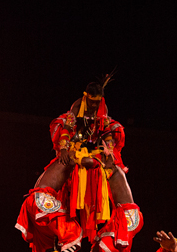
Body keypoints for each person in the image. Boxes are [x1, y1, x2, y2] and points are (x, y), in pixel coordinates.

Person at [49, 79, 125, 241]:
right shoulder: (77, 106)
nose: (94, 106)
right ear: (86, 97)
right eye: (91, 102)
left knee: (110, 165)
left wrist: (110, 150)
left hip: (94, 146)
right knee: (71, 165)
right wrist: (63, 149)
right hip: (77, 145)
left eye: (97, 102)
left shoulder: (102, 107)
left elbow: (106, 132)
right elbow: (67, 128)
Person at [15, 157, 83, 252]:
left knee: (49, 240)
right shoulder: (70, 157)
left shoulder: (57, 163)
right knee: (73, 231)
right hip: (43, 198)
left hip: (33, 201)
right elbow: (86, 163)